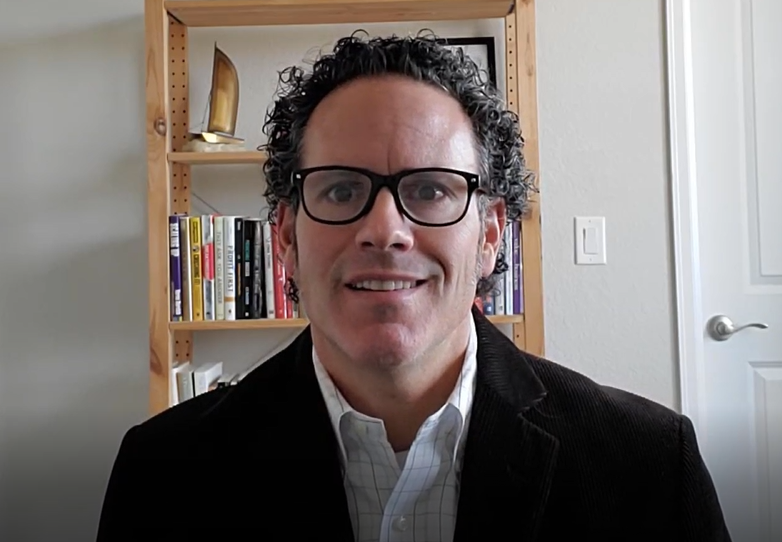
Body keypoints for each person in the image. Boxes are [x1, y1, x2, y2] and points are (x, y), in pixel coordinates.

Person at [96, 31, 731, 541]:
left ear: (489, 234)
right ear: (285, 236)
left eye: (429, 190)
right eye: (341, 190)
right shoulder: (163, 474)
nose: (384, 230)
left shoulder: (648, 465)